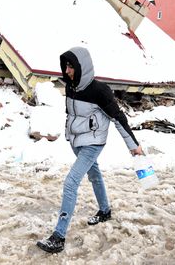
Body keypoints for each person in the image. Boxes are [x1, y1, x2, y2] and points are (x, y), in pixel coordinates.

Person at [36, 46, 143, 254]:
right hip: (77, 142)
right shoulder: (70, 87)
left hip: (93, 143)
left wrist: (133, 145)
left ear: (81, 67)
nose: (67, 71)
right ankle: (105, 211)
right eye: (66, 66)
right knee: (94, 174)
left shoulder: (99, 91)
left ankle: (58, 236)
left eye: (71, 66)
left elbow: (118, 118)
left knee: (71, 182)